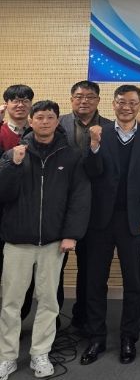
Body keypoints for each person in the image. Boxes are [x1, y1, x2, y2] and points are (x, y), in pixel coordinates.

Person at [0, 100, 90, 380]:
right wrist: (12, 165)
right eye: (39, 117)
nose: (45, 122)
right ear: (31, 120)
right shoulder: (15, 153)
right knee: (11, 303)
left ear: (57, 121)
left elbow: (79, 197)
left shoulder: (70, 156)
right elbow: (3, 194)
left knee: (49, 302)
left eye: (50, 117)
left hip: (53, 242)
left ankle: (40, 353)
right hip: (17, 241)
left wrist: (71, 234)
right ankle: (6, 356)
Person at [80, 85, 140, 366]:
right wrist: (93, 147)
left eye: (132, 102)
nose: (126, 107)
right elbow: (91, 173)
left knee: (134, 282)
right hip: (100, 221)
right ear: (113, 104)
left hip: (134, 220)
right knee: (95, 281)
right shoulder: (99, 133)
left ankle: (129, 337)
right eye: (121, 102)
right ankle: (96, 338)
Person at [58, 80, 112, 330]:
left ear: (98, 100)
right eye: (79, 96)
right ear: (71, 99)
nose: (84, 101)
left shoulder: (110, 128)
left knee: (91, 269)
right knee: (56, 269)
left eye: (90, 96)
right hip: (60, 208)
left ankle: (85, 318)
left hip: (97, 208)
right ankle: (53, 322)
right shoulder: (58, 124)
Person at [0, 85, 35, 324]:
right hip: (1, 210)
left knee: (24, 274)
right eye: (15, 100)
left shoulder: (39, 132)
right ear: (7, 104)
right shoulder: (1, 131)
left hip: (26, 214)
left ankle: (18, 321)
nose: (20, 104)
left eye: (24, 100)